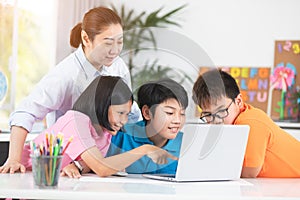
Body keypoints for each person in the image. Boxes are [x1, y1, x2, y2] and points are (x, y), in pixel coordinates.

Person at [1, 6, 141, 174]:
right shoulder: (65, 75)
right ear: (86, 39)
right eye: (108, 43)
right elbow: (25, 112)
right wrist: (15, 160)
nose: (116, 50)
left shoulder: (117, 66)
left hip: (87, 162)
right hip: (58, 161)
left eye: (120, 42)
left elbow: (130, 111)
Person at [0, 76, 175, 177]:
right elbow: (101, 167)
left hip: (53, 186)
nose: (124, 120)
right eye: (120, 113)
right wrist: (144, 149)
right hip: (24, 180)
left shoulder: (106, 133)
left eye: (127, 114)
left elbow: (91, 163)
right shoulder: (76, 121)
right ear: (102, 105)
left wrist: (76, 166)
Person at [192, 69, 300, 178]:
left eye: (221, 111)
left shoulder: (250, 123)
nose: (216, 120)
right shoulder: (230, 125)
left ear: (238, 101)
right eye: (208, 115)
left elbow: (249, 173)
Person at [106, 78, 188, 174]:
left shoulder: (186, 145)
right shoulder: (120, 135)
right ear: (147, 112)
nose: (177, 120)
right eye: (169, 113)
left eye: (182, 114)